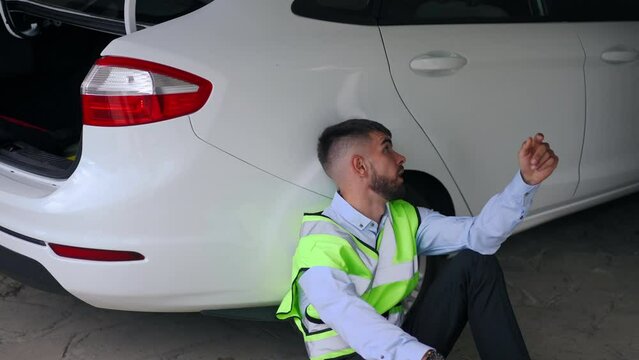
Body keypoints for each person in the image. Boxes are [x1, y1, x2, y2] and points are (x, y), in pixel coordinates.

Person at [276, 119, 558, 360]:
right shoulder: (320, 243)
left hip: (401, 347)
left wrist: (525, 182)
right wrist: (419, 355)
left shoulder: (404, 218)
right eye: (387, 148)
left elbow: (480, 235)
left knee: (476, 264)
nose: (401, 157)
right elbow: (350, 317)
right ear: (360, 166)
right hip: (354, 355)